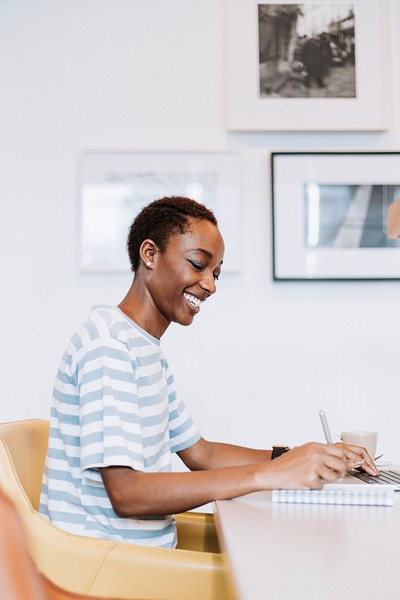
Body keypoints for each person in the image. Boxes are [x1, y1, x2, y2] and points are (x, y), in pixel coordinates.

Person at [39, 196, 379, 548]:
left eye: (215, 273)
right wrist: (273, 474)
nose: (211, 285)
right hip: (105, 569)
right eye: (198, 264)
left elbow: (200, 454)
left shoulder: (142, 347)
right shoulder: (109, 347)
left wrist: (303, 456)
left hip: (141, 557)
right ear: (150, 255)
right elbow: (127, 494)